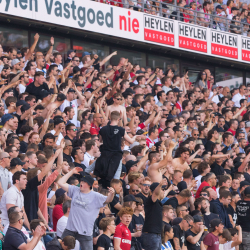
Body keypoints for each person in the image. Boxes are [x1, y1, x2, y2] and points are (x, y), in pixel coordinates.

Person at [58, 167, 115, 250]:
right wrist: (71, 172)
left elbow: (108, 199)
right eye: (81, 181)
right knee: (58, 246)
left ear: (89, 185)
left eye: (84, 182)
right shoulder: (75, 190)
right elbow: (60, 182)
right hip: (70, 229)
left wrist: (112, 194)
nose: (81, 183)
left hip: (85, 232)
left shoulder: (95, 196)